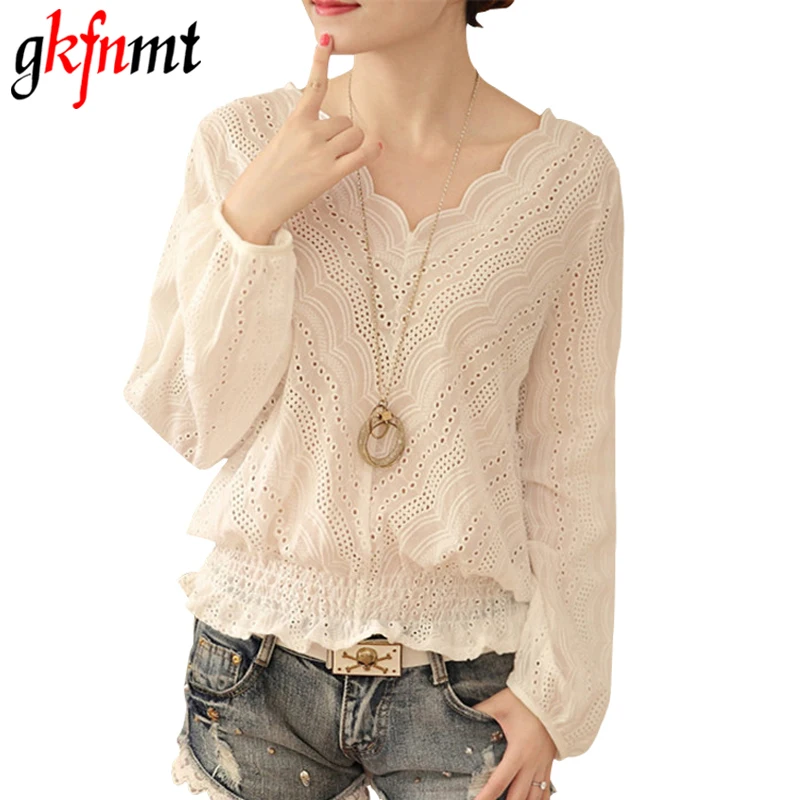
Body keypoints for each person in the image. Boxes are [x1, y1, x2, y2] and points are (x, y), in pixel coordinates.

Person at [121, 1, 624, 798]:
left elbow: (569, 453)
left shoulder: (566, 179)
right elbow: (193, 420)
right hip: (255, 669)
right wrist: (251, 218)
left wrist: (558, 697)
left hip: (469, 683)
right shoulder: (243, 142)